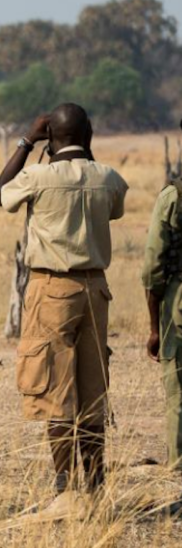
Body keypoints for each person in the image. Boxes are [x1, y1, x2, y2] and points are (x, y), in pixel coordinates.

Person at [0, 103, 128, 519]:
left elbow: (0, 194)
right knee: (91, 394)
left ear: (51, 136)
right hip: (96, 290)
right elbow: (116, 208)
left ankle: (65, 493)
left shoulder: (38, 176)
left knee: (55, 392)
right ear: (87, 135)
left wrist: (26, 140)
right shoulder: (108, 178)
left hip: (52, 290)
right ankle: (97, 489)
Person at [141, 162, 182, 518]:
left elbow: (153, 266)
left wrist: (155, 326)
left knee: (178, 391)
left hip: (179, 305)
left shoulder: (174, 197)